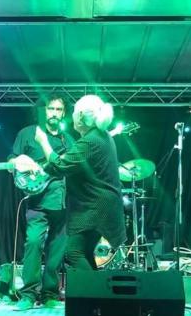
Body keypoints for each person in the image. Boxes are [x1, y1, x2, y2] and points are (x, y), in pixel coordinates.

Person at [34, 95, 126, 271]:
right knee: (85, 251)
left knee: (73, 252)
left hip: (96, 207)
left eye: (75, 113)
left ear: (82, 116)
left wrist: (43, 141)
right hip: (103, 205)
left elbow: (60, 165)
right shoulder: (102, 136)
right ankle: (94, 288)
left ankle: (94, 288)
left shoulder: (91, 140)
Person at [8, 95, 75, 310]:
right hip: (37, 201)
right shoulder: (28, 133)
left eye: (58, 109)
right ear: (43, 111)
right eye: (50, 108)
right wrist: (18, 163)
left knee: (56, 249)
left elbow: (73, 166)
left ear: (63, 113)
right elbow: (12, 161)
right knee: (34, 243)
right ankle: (28, 294)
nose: (54, 113)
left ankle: (50, 294)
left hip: (62, 201)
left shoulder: (68, 140)